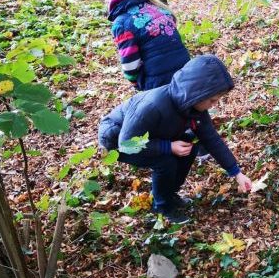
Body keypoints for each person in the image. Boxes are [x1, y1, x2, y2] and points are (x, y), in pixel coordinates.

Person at [98, 54, 252, 223]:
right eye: (212, 100)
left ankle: (168, 193)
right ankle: (162, 207)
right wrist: (168, 147)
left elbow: (211, 138)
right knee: (165, 161)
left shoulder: (194, 108)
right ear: (197, 92)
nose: (214, 105)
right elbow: (127, 143)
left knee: (189, 148)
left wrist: (236, 173)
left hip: (153, 136)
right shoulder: (153, 105)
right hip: (117, 141)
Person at [97, 0, 191, 91]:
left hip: (160, 87)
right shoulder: (157, 8)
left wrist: (140, 85)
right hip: (188, 76)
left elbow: (130, 67)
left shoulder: (122, 24)